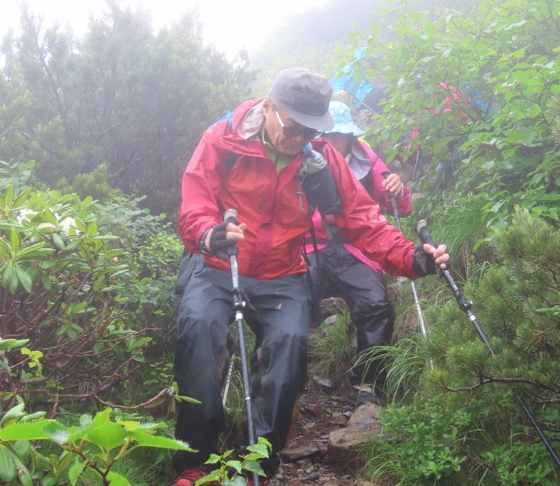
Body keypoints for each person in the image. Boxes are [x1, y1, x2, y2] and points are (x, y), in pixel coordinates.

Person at [173, 67, 450, 486]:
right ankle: (196, 462)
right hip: (216, 264)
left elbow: (361, 219)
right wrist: (207, 233)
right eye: (293, 127)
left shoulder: (318, 157)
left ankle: (259, 465)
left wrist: (413, 258)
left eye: (309, 130)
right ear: (268, 107)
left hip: (282, 273)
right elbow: (194, 201)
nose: (301, 138)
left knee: (289, 348)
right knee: (199, 330)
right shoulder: (222, 141)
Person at [305, 101, 412, 405]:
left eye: (334, 134)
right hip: (310, 246)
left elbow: (400, 206)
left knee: (376, 304)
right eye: (323, 133)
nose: (327, 140)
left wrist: (397, 189)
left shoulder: (367, 158)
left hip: (356, 248)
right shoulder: (303, 154)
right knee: (289, 303)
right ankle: (285, 386)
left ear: (349, 136)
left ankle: (368, 384)